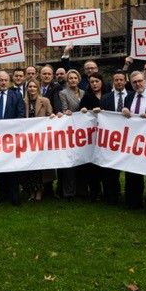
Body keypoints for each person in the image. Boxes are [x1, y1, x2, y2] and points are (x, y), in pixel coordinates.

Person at [0, 70, 26, 206]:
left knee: (13, 168)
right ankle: (3, 195)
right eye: (0, 80)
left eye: (5, 80)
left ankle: (15, 197)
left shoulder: (16, 96)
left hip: (11, 138)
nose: (3, 82)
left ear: (9, 82)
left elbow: (21, 115)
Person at [121, 71, 146, 209]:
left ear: (145, 81)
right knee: (132, 171)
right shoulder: (128, 97)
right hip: (133, 141)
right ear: (131, 84)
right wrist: (124, 110)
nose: (138, 84)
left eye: (140, 81)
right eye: (134, 82)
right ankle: (133, 201)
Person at [96, 70, 133, 205]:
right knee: (111, 171)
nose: (118, 82)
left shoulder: (133, 96)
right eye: (116, 80)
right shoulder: (105, 98)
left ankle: (131, 199)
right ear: (113, 81)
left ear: (125, 81)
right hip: (111, 139)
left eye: (121, 80)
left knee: (131, 170)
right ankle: (112, 196)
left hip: (129, 139)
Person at [22, 79, 53, 201]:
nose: (32, 89)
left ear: (38, 88)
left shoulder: (44, 101)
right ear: (27, 88)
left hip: (41, 138)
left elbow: (51, 114)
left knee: (39, 166)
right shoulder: (23, 101)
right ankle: (31, 191)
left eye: (34, 86)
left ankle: (39, 191)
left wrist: (52, 116)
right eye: (30, 86)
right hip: (27, 139)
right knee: (29, 166)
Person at [79, 72, 107, 202]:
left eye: (97, 81)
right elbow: (80, 114)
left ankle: (108, 192)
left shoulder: (108, 96)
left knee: (106, 165)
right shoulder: (87, 97)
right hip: (91, 137)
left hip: (107, 137)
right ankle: (94, 192)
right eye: (92, 82)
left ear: (102, 82)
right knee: (92, 166)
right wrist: (83, 111)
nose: (94, 84)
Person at [57, 69, 85, 200]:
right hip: (69, 130)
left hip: (83, 131)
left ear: (79, 80)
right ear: (67, 80)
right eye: (70, 78)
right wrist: (66, 112)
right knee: (70, 164)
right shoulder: (63, 93)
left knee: (81, 162)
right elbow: (64, 108)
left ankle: (81, 190)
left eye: (75, 78)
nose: (73, 80)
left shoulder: (84, 92)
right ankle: (68, 192)